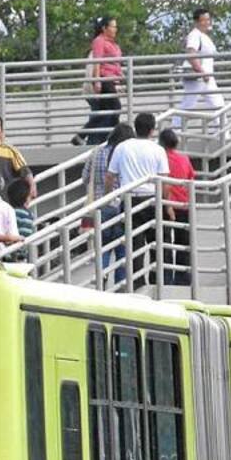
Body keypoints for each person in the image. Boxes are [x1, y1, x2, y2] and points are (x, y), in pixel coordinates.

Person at [106, 113, 174, 285]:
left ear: (135, 128)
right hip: (153, 199)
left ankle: (137, 284)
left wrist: (110, 197)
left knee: (134, 245)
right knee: (160, 243)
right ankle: (160, 281)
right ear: (152, 130)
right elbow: (165, 181)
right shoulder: (158, 149)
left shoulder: (122, 147)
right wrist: (167, 204)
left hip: (130, 199)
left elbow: (110, 176)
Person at [80, 122, 135, 286]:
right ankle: (120, 285)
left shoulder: (96, 152)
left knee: (102, 247)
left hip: (100, 207)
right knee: (122, 249)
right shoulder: (124, 154)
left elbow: (85, 178)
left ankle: (101, 280)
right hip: (120, 206)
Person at [74, 16, 124, 146]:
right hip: (105, 79)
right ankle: (116, 138)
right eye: (113, 26)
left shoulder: (113, 44)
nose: (115, 29)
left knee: (106, 113)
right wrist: (97, 81)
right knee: (115, 108)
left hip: (112, 80)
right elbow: (97, 61)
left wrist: (119, 79)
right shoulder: (99, 41)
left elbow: (116, 64)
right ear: (104, 28)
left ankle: (83, 136)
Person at [159, 128, 195, 285]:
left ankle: (166, 278)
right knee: (183, 242)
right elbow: (191, 177)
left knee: (165, 243)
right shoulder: (184, 158)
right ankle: (184, 278)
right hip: (183, 203)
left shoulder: (161, 158)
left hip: (166, 203)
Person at [178, 7, 224, 124]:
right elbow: (191, 54)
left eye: (208, 19)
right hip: (199, 77)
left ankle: (223, 131)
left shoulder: (203, 36)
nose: (207, 22)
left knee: (218, 104)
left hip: (206, 78)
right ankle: (175, 128)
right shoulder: (195, 35)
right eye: (204, 20)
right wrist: (202, 72)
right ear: (196, 22)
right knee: (188, 105)